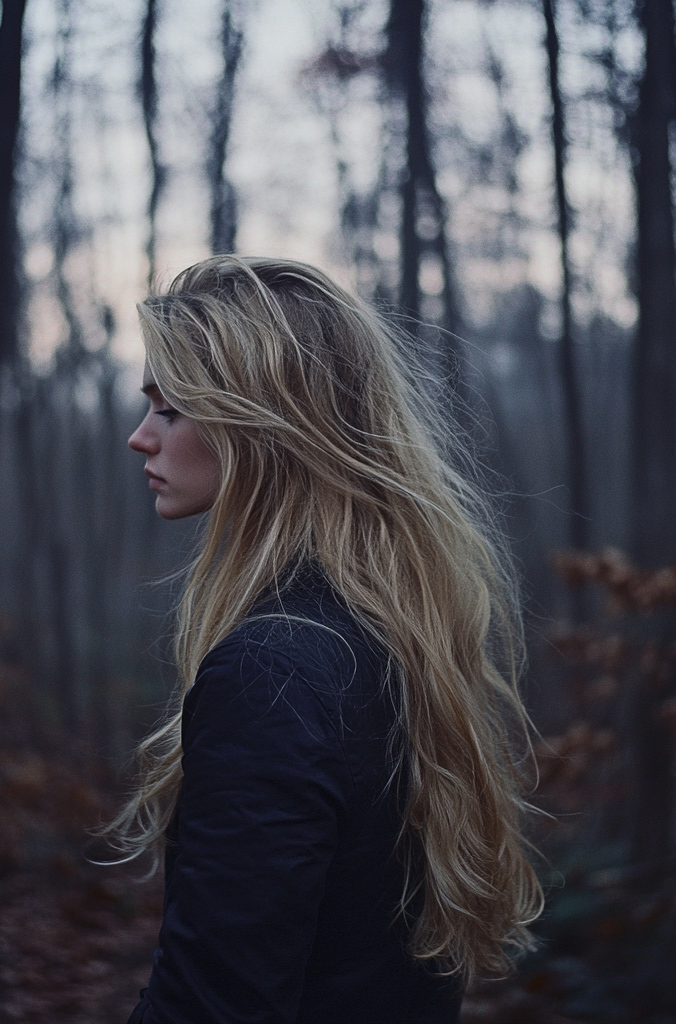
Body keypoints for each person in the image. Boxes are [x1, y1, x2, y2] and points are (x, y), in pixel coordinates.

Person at [116, 255, 541, 1024]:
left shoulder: (271, 671)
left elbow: (215, 1004)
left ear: (261, 424)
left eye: (169, 409)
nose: (139, 437)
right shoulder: (389, 632)